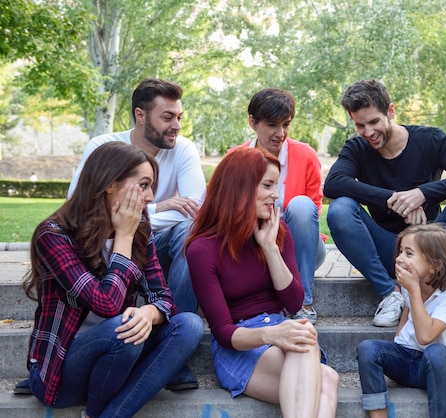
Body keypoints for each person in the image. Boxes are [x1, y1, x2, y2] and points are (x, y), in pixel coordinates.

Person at [21, 142, 204, 417]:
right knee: (123, 329)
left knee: (189, 325)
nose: (151, 197)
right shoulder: (54, 235)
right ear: (109, 184)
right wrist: (124, 239)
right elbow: (106, 304)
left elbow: (163, 298)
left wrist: (149, 313)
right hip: (62, 371)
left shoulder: (140, 226)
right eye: (143, 185)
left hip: (118, 359)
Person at [68, 77, 205, 390]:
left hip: (160, 242)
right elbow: (78, 210)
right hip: (104, 244)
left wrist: (138, 219)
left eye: (179, 117)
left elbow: (195, 209)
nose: (176, 126)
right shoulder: (102, 147)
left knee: (192, 231)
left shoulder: (182, 148)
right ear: (141, 116)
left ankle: (174, 349)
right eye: (167, 117)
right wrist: (158, 209)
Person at [324, 79, 446, 327]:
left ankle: (435, 286)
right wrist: (392, 199)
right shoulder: (357, 148)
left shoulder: (430, 139)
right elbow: (333, 184)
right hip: (386, 249)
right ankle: (390, 295)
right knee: (341, 209)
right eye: (360, 125)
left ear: (390, 111)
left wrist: (423, 194)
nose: (368, 132)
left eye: (374, 122)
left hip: (432, 248)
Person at [186, 147, 339, 417]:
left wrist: (269, 248)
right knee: (307, 349)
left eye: (276, 185)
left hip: (283, 331)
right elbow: (223, 332)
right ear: (240, 188)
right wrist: (271, 335)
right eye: (267, 185)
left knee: (327, 376)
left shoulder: (279, 234)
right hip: (241, 347)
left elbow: (293, 303)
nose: (276, 195)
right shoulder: (202, 249)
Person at [229, 87, 326, 324]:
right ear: (253, 122)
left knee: (302, 205)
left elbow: (313, 208)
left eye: (286, 125)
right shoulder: (235, 157)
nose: (280, 133)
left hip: (300, 245)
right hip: (252, 246)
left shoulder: (305, 155)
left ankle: (304, 303)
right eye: (272, 125)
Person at [357, 223, 446, 418]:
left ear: (436, 265)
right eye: (400, 251)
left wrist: (414, 291)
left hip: (436, 369)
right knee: (367, 348)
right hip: (406, 360)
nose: (399, 258)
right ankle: (378, 414)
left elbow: (426, 336)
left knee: (436, 352)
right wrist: (399, 337)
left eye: (409, 254)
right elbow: (407, 310)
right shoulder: (412, 283)